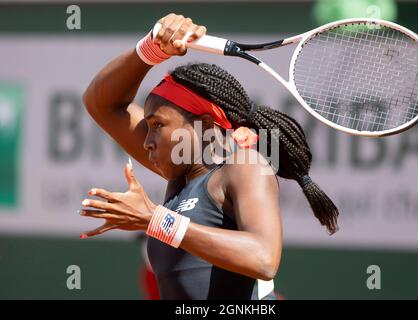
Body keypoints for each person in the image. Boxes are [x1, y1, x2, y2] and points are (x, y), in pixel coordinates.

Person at [80, 13, 339, 300]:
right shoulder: (179, 176)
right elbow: (101, 104)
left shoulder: (245, 166)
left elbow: (264, 259)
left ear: (204, 124)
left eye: (157, 126)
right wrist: (152, 49)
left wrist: (157, 219)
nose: (148, 141)